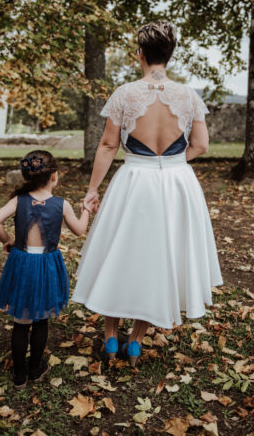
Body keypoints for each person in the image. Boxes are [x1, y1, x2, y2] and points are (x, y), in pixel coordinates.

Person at [72, 20, 223, 366]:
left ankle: (111, 338)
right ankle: (137, 341)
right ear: (169, 56)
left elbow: (109, 144)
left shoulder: (125, 94)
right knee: (162, 256)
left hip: (133, 181)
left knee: (120, 252)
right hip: (176, 184)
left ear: (139, 54)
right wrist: (171, 166)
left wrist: (93, 190)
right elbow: (201, 145)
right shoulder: (188, 96)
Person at [0, 150, 90, 388]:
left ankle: (19, 376)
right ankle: (35, 369)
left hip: (22, 262)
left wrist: (7, 241)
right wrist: (86, 208)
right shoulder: (62, 204)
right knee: (41, 320)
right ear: (54, 176)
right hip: (46, 265)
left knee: (21, 321)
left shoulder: (19, 200)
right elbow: (79, 230)